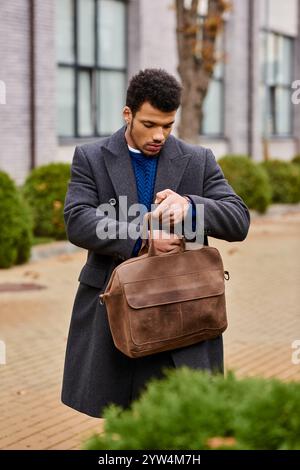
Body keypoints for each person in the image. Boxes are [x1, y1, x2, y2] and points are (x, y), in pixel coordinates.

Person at [61, 68, 250, 418]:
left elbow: (239, 219)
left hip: (185, 317)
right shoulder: (91, 157)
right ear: (127, 113)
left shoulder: (199, 159)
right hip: (117, 318)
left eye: (168, 125)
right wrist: (141, 237)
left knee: (182, 428)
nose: (159, 135)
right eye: (149, 124)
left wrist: (192, 206)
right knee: (126, 426)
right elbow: (78, 219)